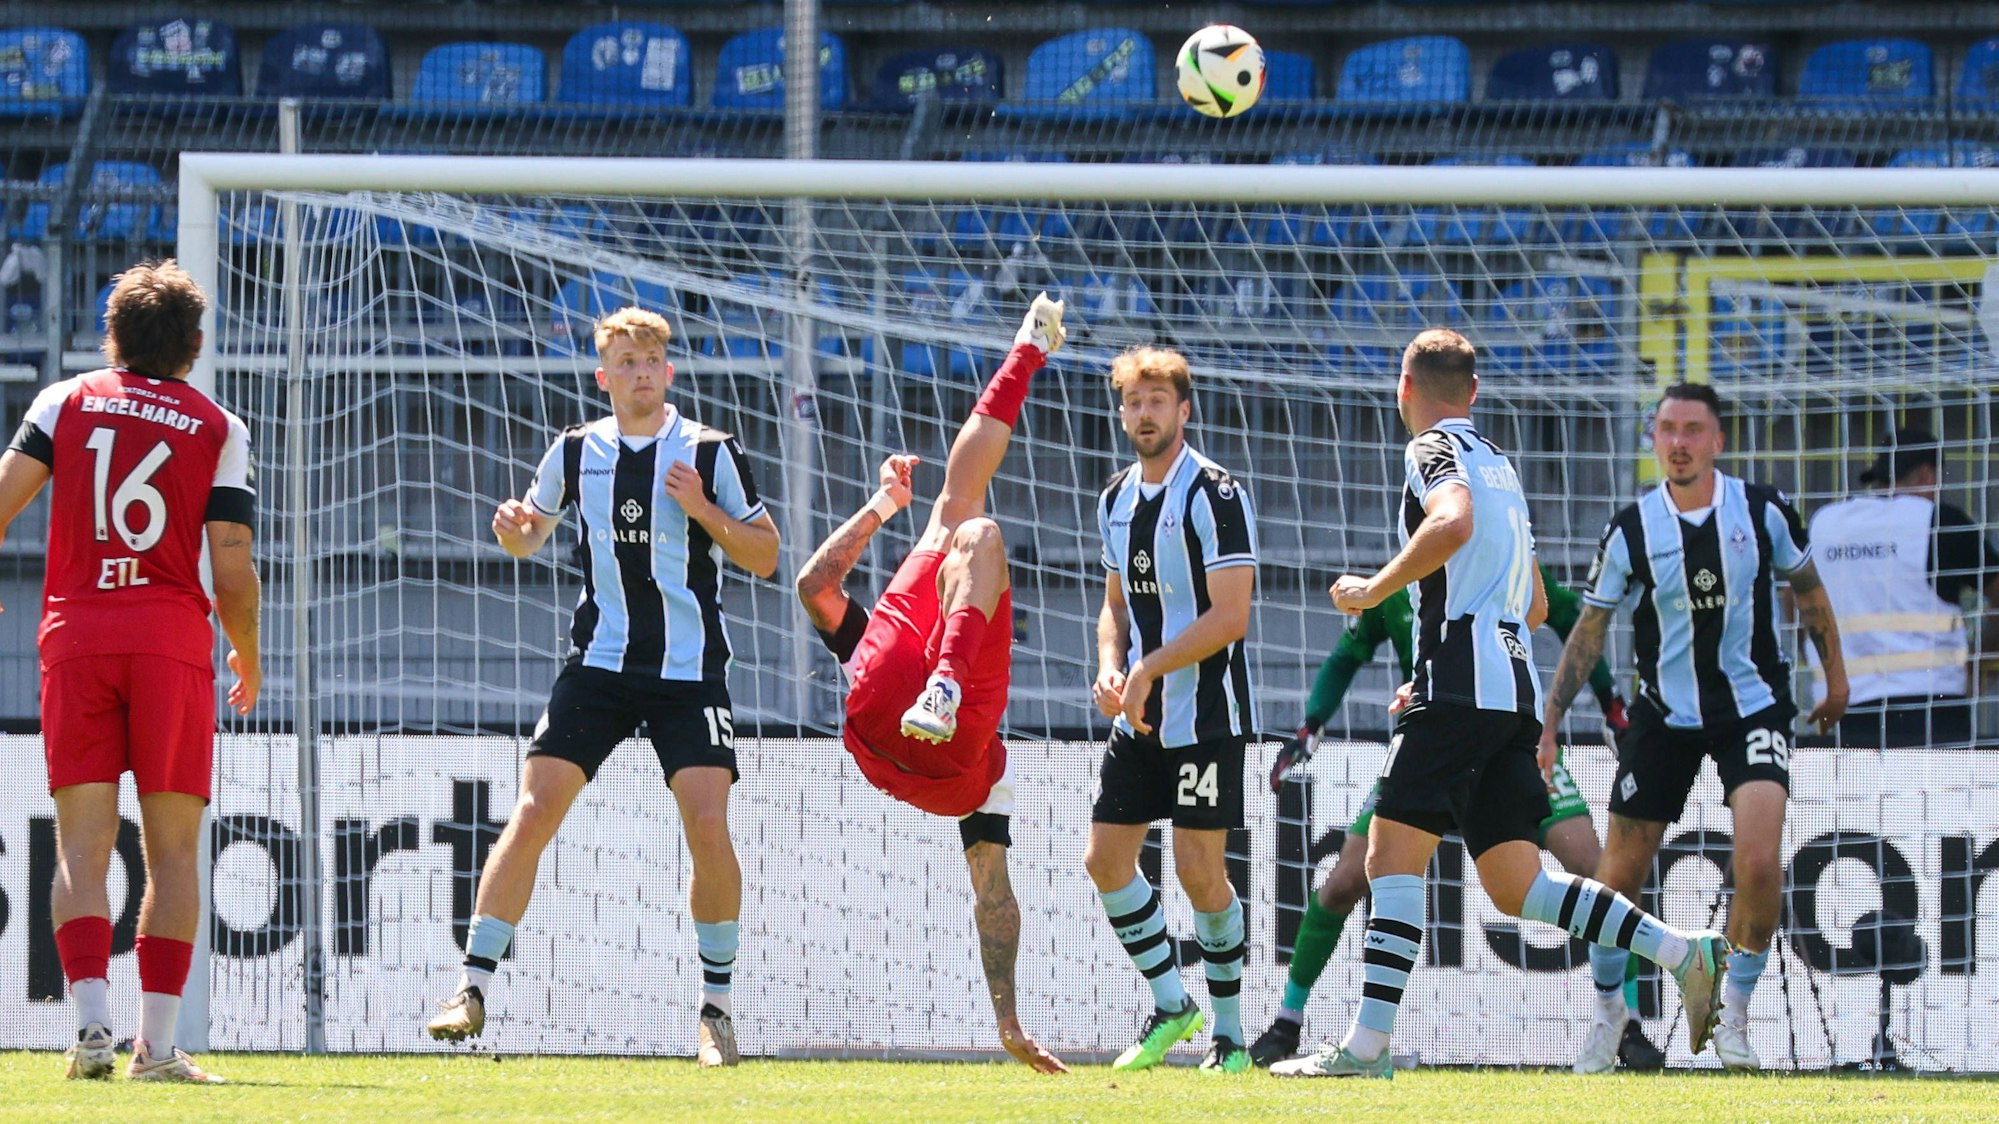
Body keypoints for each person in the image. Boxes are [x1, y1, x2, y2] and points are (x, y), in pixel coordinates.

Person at [1272, 331, 1729, 1080]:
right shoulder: (1502, 467)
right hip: (1509, 694)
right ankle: (1683, 952)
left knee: (1388, 856)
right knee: (1522, 887)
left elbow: (1450, 522)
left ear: (1404, 386)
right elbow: (1540, 598)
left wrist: (1373, 589)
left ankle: (1365, 1048)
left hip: (1458, 688)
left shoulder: (1431, 451)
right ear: (1474, 391)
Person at [425, 308, 779, 1068]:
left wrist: (704, 511)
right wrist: (512, 527)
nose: (641, 372)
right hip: (598, 665)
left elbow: (766, 556)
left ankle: (715, 1011)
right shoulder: (574, 450)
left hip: (688, 672)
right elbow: (528, 537)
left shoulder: (709, 452)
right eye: (626, 361)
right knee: (533, 807)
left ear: (670, 372)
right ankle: (471, 985)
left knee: (707, 825)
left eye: (652, 358)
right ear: (603, 374)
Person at [794, 294, 1069, 1074]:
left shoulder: (901, 588)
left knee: (961, 512)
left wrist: (883, 505)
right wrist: (1008, 1019)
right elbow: (993, 895)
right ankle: (944, 685)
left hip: (870, 728)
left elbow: (814, 584)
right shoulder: (990, 772)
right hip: (944, 750)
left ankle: (1027, 347)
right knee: (976, 528)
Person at [0, 259, 260, 1083]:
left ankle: (89, 1030)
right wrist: (247, 653)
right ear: (194, 343)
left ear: (111, 333)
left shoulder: (62, 401)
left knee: (81, 845)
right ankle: (156, 1047)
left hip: (75, 637)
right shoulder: (219, 425)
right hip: (169, 642)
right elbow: (233, 570)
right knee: (175, 850)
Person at [1539, 382, 1848, 1073]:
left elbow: (1808, 590)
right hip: (1662, 715)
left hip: (1752, 706)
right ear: (1652, 439)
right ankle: (1610, 1016)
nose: (1677, 442)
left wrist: (1836, 676)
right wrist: (1551, 720)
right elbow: (1589, 630)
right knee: (1616, 876)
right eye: (1666, 429)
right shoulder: (1629, 530)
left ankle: (1730, 1016)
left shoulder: (1762, 511)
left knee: (1760, 864)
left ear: (1717, 440)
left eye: (1692, 430)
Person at [1251, 568, 1664, 1072]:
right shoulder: (1400, 581)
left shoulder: (1507, 566)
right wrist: (1311, 724)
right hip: (1433, 743)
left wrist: (1609, 701)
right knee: (1342, 882)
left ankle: (1627, 1022)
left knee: (1596, 869)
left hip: (1507, 737)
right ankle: (1288, 1021)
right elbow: (1345, 656)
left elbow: (1568, 617)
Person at [1086, 345, 1260, 1074]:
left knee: (1197, 872)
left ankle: (1230, 1036)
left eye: (1157, 402)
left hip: (1206, 714)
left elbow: (1231, 616)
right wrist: (1109, 666)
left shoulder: (1215, 493)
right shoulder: (1114, 499)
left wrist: (1150, 668)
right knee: (1104, 861)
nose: (1143, 414)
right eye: (1133, 402)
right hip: (1141, 715)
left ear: (1183, 411)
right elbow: (1112, 607)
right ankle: (1170, 1002)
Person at [1807, 427, 1998, 748]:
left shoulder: (1825, 524)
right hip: (1932, 704)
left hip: (1841, 704)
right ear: (1926, 473)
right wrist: (1980, 662)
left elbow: (1795, 602)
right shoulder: (1939, 521)